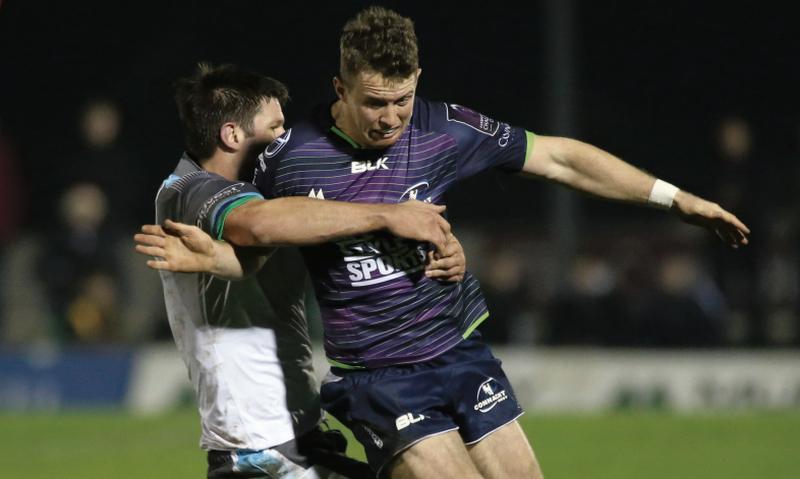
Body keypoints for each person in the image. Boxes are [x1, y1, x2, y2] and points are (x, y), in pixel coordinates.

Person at [151, 7, 749, 479]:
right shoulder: (290, 153)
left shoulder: (445, 129)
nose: (390, 118)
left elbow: (562, 158)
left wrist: (676, 199)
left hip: (460, 353)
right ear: (341, 86)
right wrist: (224, 260)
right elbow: (264, 235)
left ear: (418, 82)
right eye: (373, 102)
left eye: (402, 99)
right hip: (378, 376)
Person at [139, 63, 466, 479]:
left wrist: (439, 245)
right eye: (275, 128)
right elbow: (256, 224)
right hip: (258, 446)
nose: (285, 139)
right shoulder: (191, 190)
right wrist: (386, 215)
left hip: (296, 433)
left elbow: (321, 229)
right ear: (232, 135)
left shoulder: (274, 192)